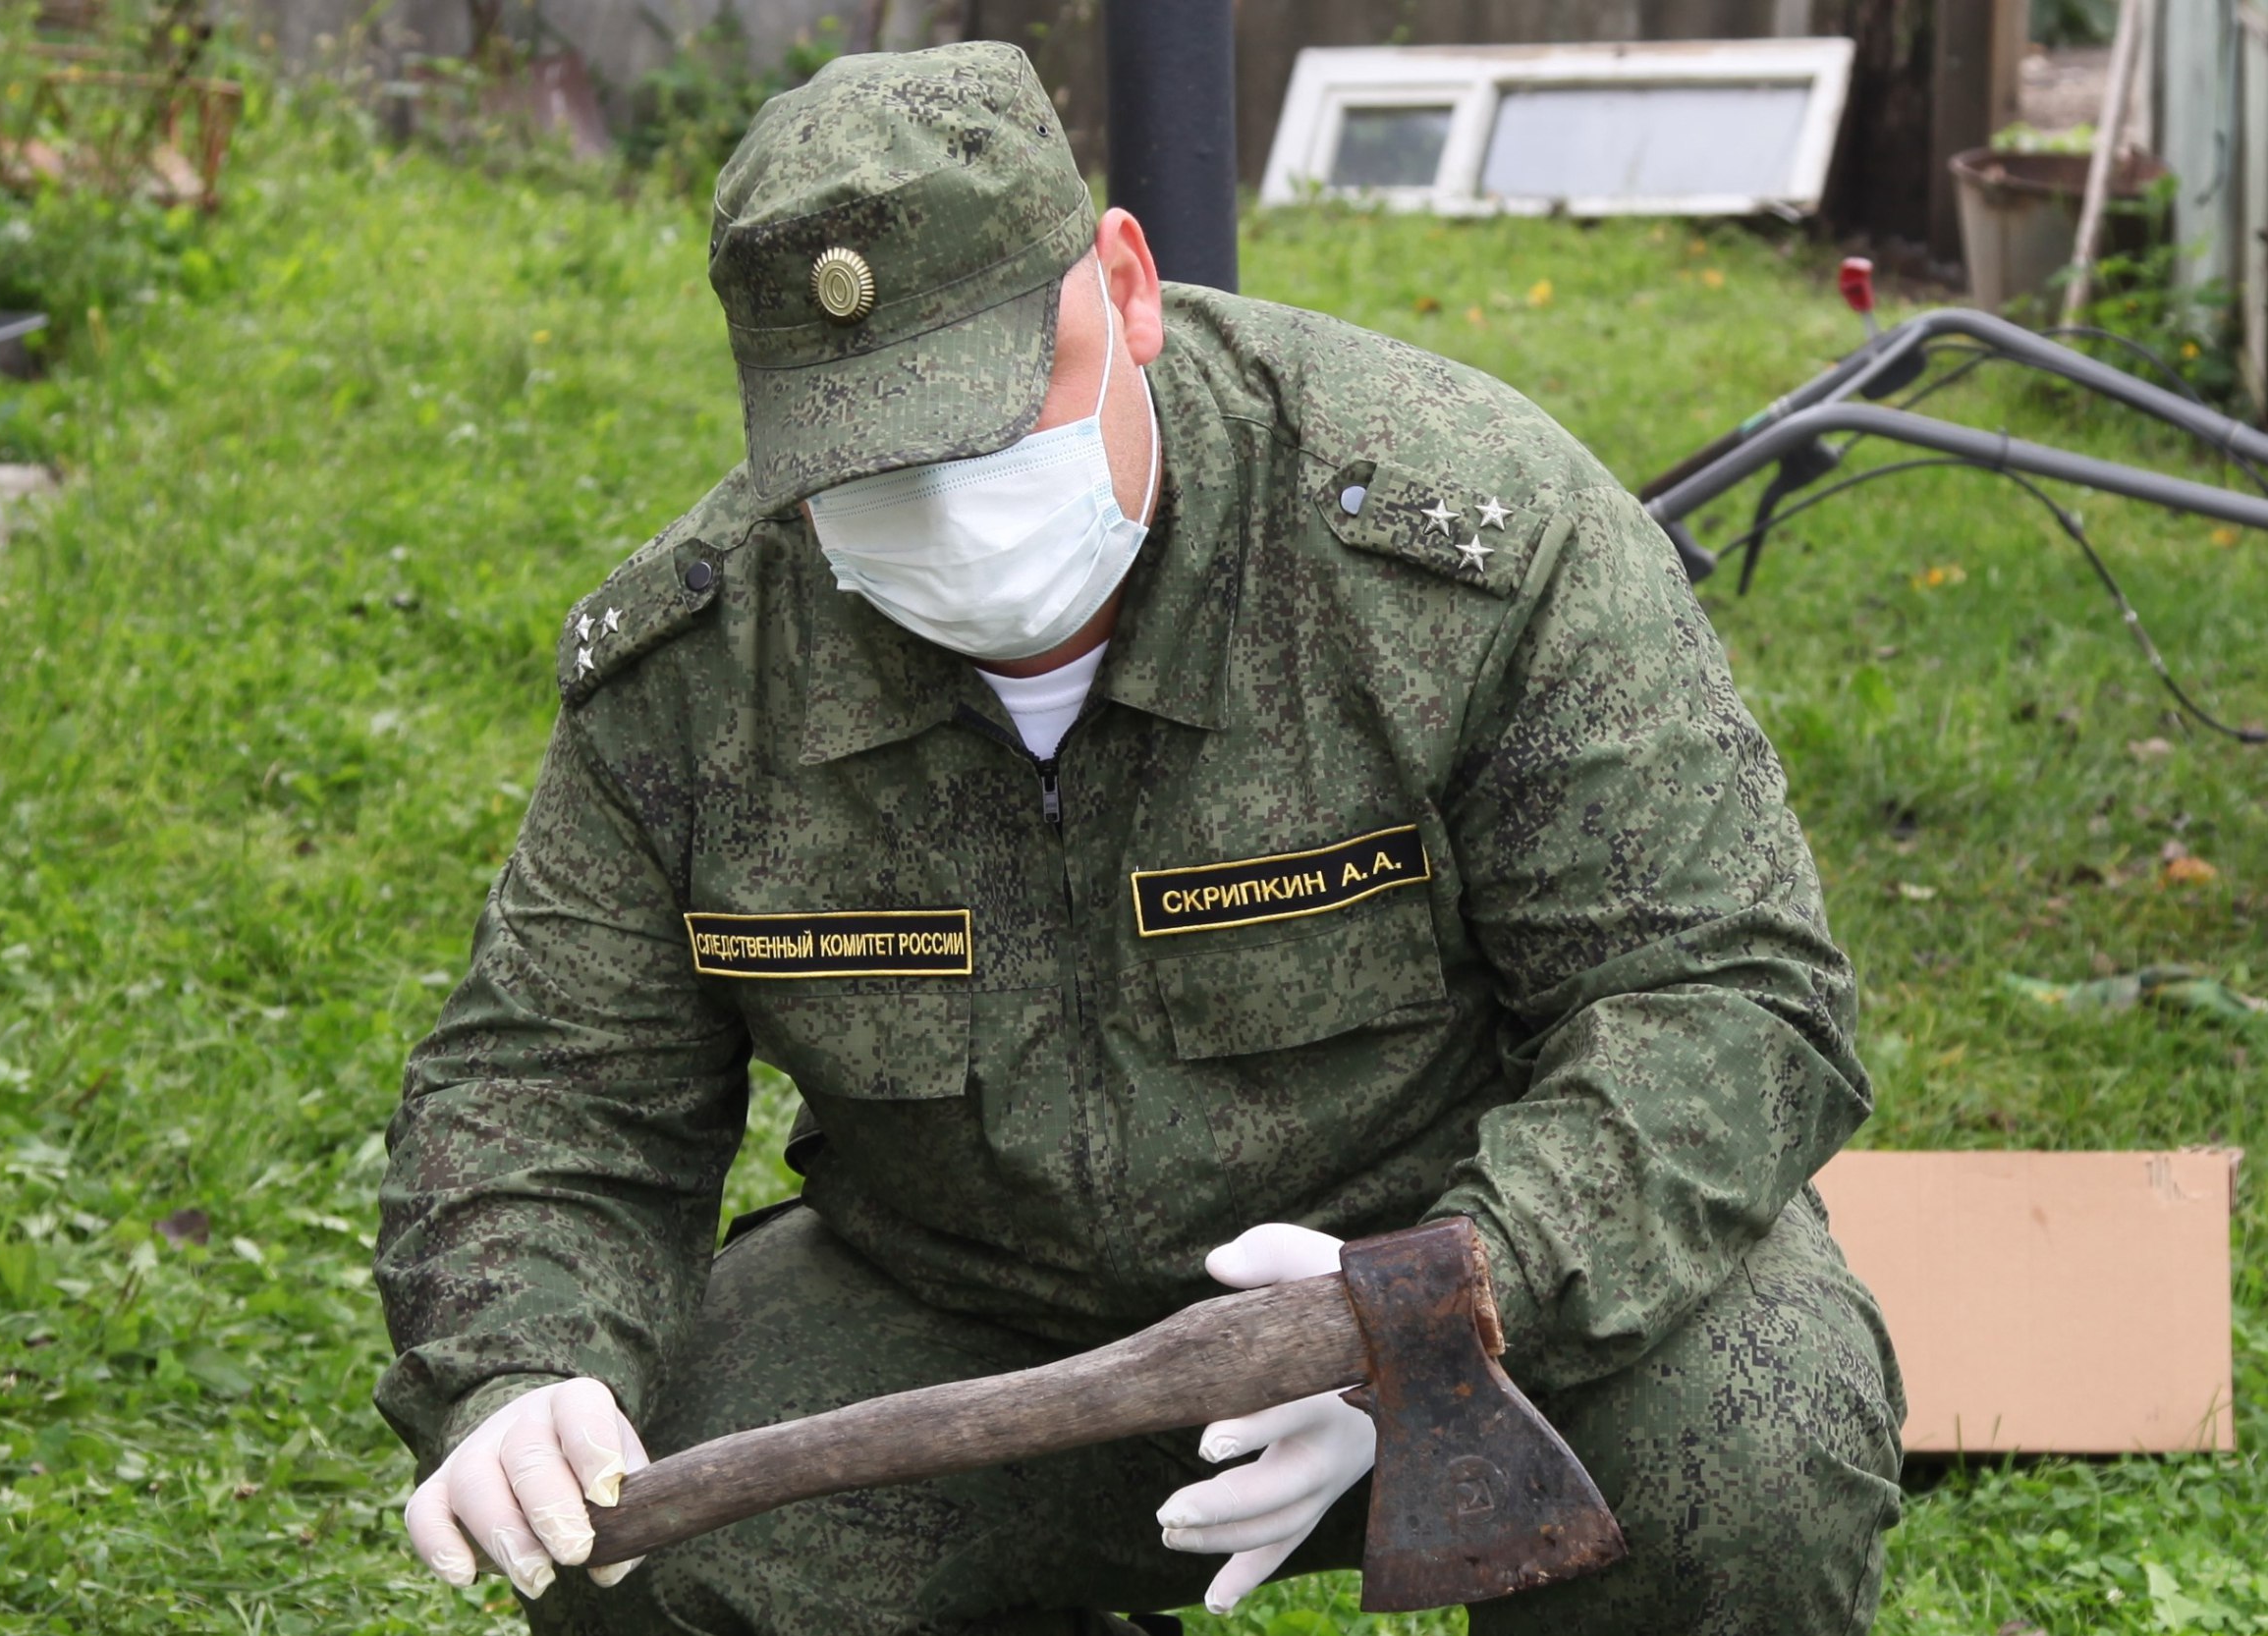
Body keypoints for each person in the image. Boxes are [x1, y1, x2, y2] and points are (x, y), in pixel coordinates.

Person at [373, 40, 1904, 1636]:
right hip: (968, 1317)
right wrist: (523, 1358)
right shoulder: (699, 669)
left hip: (1480, 1265)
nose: (950, 504)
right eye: (868, 457)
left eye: (986, 412)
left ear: (1127, 286)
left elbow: (1726, 995)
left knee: (1753, 1444)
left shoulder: (1460, 544)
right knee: (644, 1540)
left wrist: (1442, 1299)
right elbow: (551, 1087)